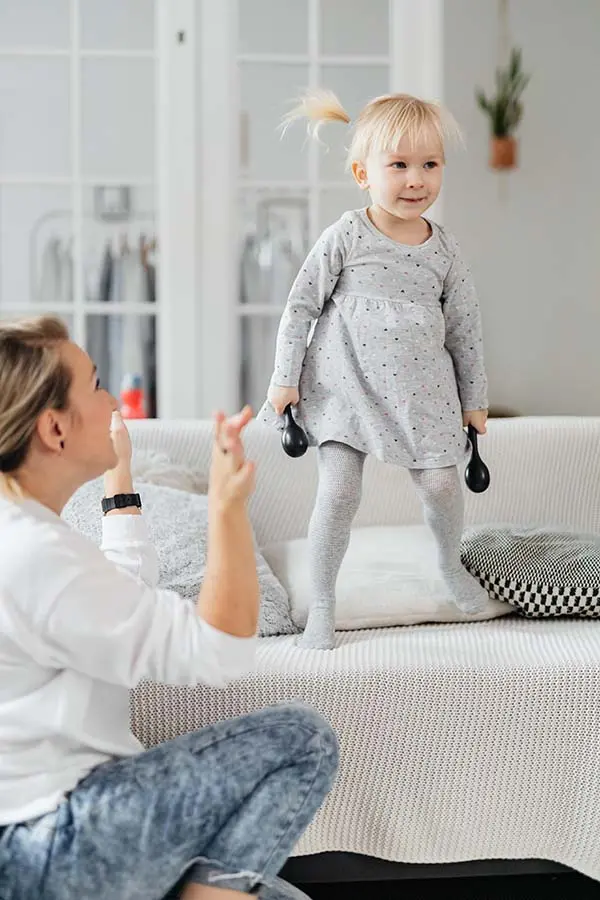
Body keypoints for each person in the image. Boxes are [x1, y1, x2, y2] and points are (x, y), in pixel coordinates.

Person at [0, 316, 339, 899]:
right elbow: (220, 651)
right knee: (303, 740)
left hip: (32, 844)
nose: (114, 400)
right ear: (55, 427)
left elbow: (119, 592)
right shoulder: (37, 553)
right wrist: (225, 509)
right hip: (55, 843)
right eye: (98, 384)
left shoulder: (27, 538)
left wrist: (120, 476)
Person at [260, 90, 489, 649]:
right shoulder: (347, 236)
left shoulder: (445, 252)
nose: (416, 180)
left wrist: (474, 399)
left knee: (440, 485)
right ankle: (324, 602)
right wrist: (284, 377)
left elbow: (465, 330)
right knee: (338, 492)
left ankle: (447, 560)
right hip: (346, 387)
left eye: (430, 165)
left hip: (422, 393)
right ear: (364, 173)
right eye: (400, 165)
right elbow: (301, 307)